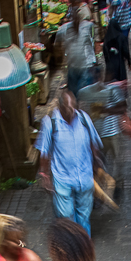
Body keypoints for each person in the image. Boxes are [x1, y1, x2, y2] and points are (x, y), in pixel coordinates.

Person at [37, 89, 103, 234]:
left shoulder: (83, 118)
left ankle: (83, 242)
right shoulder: (50, 123)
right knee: (66, 217)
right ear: (60, 107)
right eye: (68, 108)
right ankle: (71, 244)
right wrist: (45, 175)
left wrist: (96, 164)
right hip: (63, 178)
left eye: (74, 107)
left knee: (84, 216)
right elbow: (44, 152)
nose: (72, 111)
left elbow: (93, 143)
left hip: (85, 176)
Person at [61, 2, 97, 96]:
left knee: (82, 92)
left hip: (84, 66)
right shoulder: (65, 29)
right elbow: (60, 44)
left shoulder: (87, 27)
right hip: (73, 66)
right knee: (75, 93)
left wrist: (93, 61)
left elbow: (92, 44)